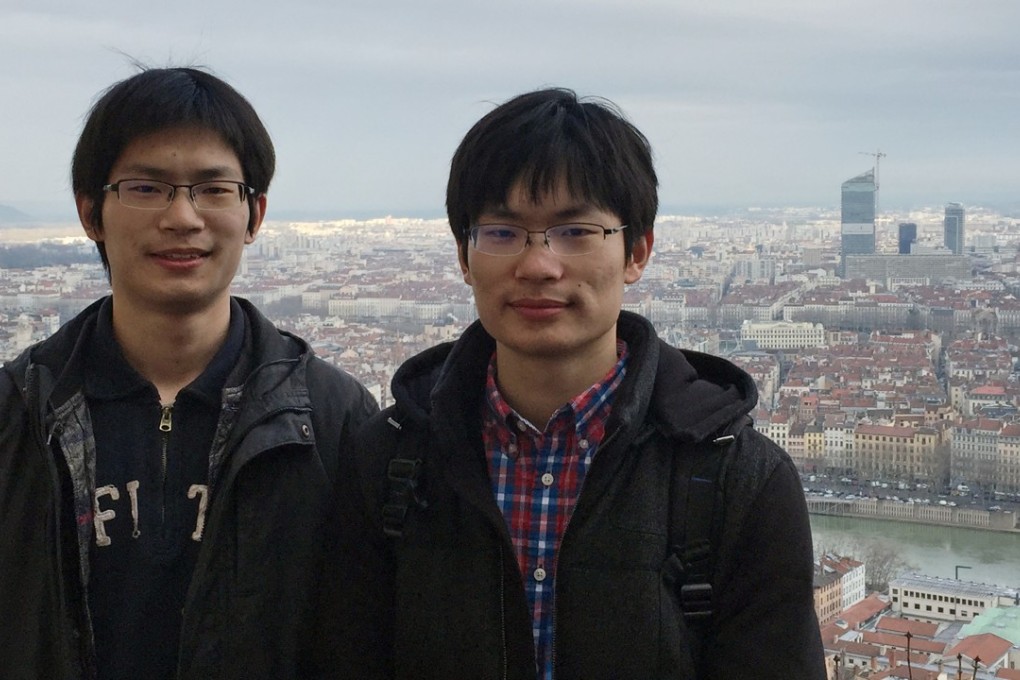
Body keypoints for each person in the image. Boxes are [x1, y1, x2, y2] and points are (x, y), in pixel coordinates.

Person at [333, 87, 826, 679]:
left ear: (636, 252)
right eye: (501, 232)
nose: (538, 264)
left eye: (574, 231)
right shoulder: (386, 459)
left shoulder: (740, 481)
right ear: (464, 258)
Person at [0, 66, 378, 679]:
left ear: (255, 214)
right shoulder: (19, 415)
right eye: (146, 188)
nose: (183, 217)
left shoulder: (333, 421)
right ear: (91, 212)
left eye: (213, 189)